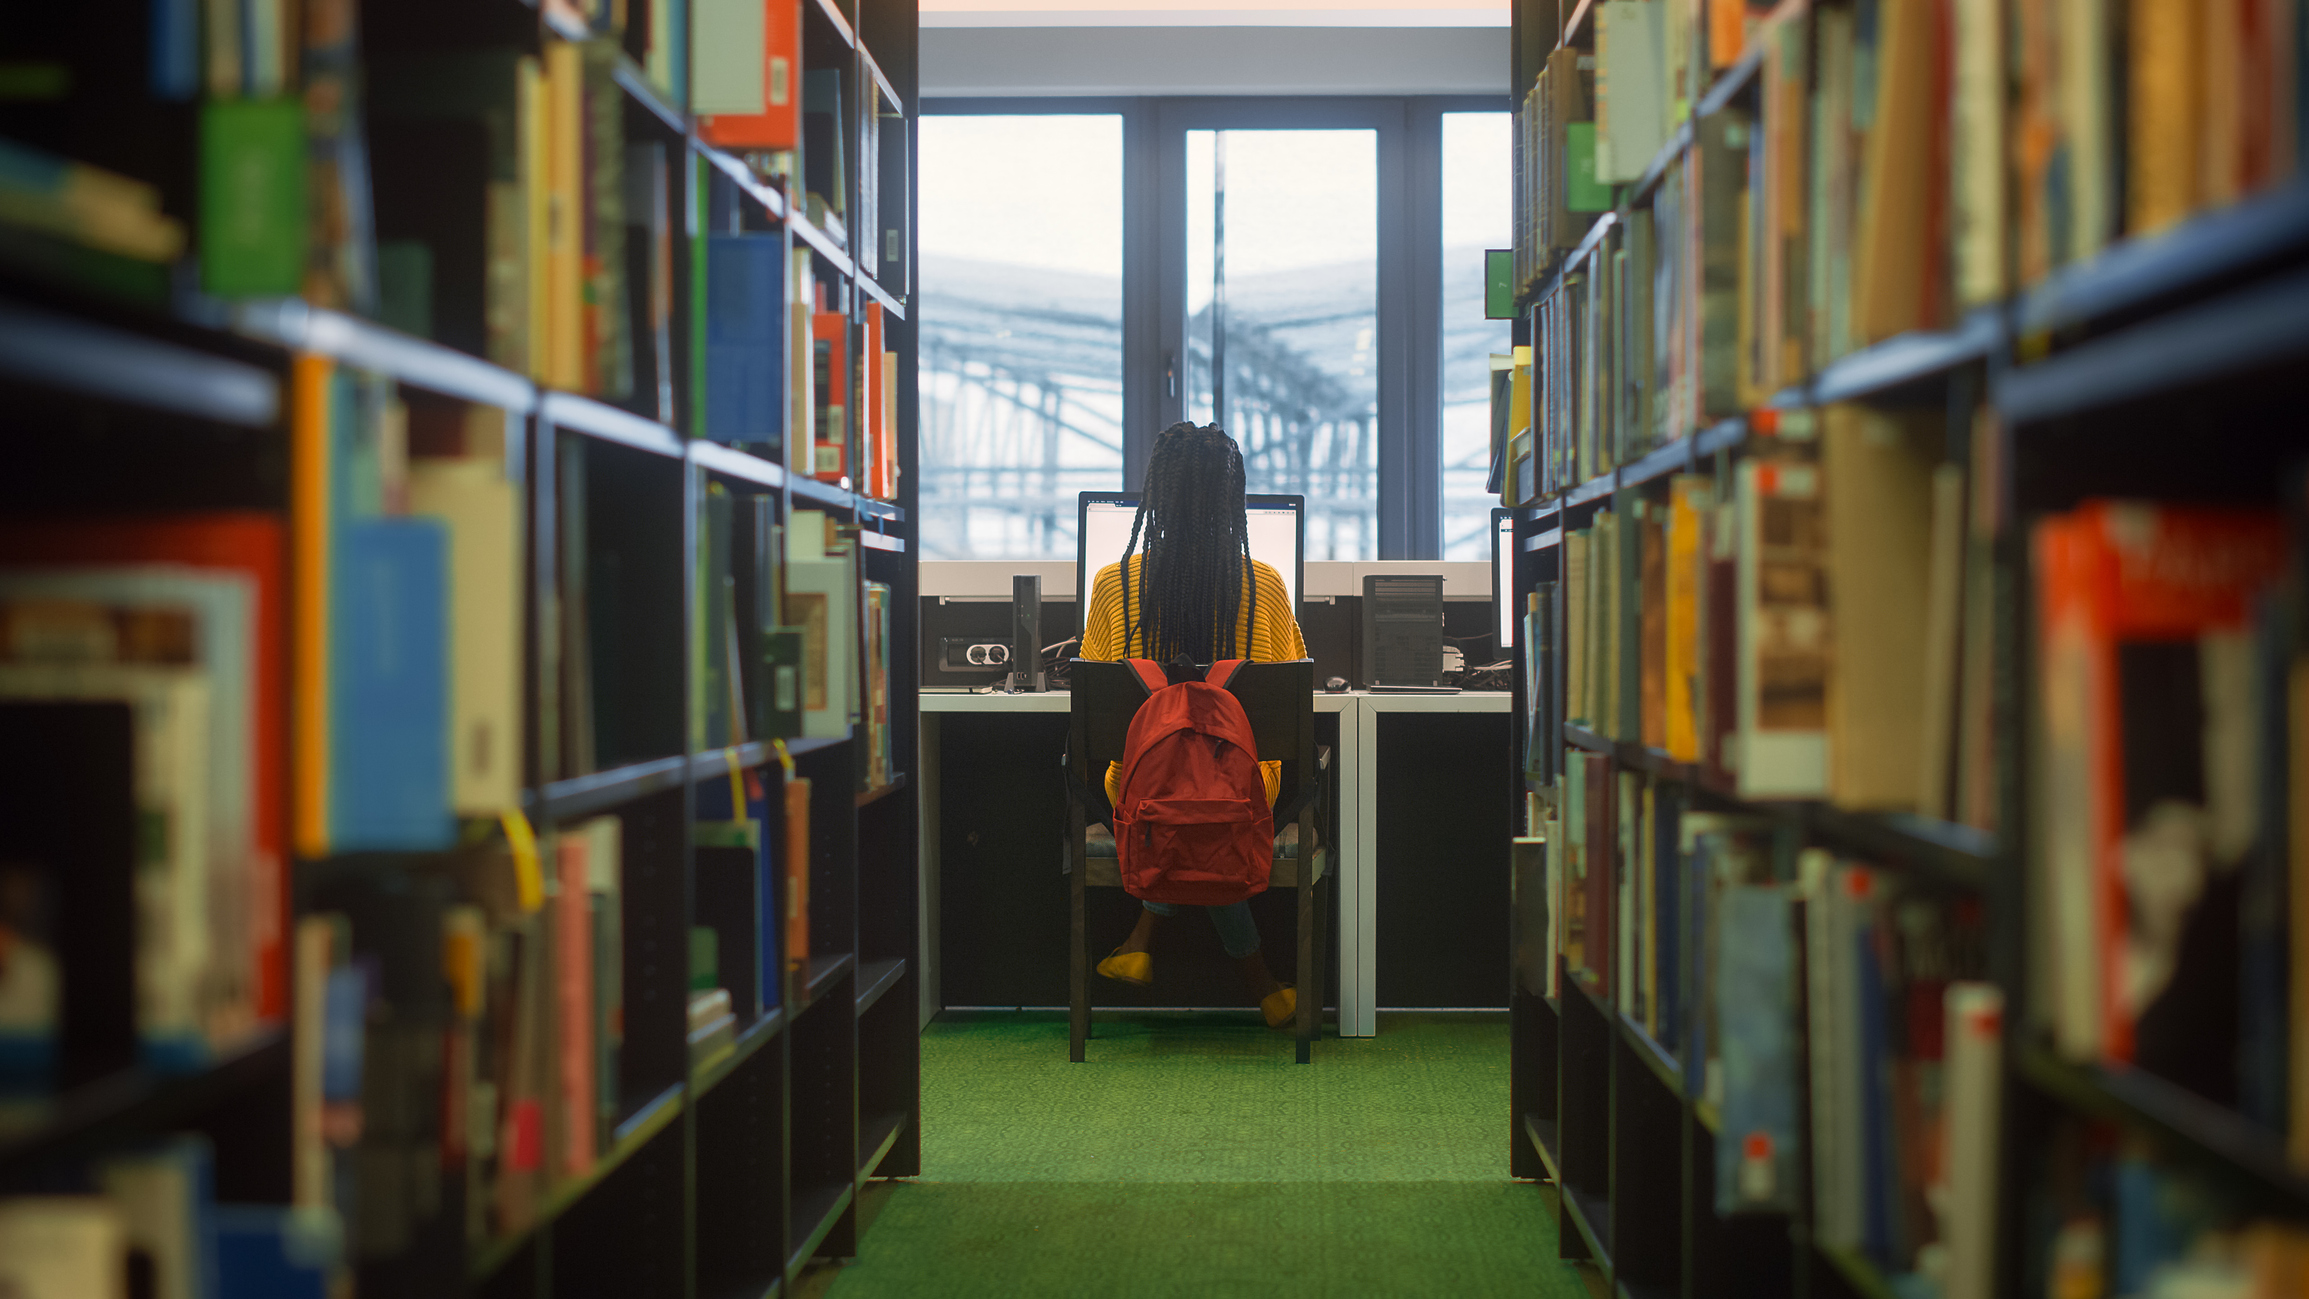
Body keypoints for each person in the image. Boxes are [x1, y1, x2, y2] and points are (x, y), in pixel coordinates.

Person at [1078, 421, 1308, 1030]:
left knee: (1171, 795)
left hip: (1138, 785)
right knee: (1216, 799)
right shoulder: (1265, 586)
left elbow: (1097, 696)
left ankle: (1142, 938)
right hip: (1246, 787)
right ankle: (1261, 983)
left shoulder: (1111, 584)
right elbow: (1291, 689)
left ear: (1155, 495)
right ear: (1233, 501)